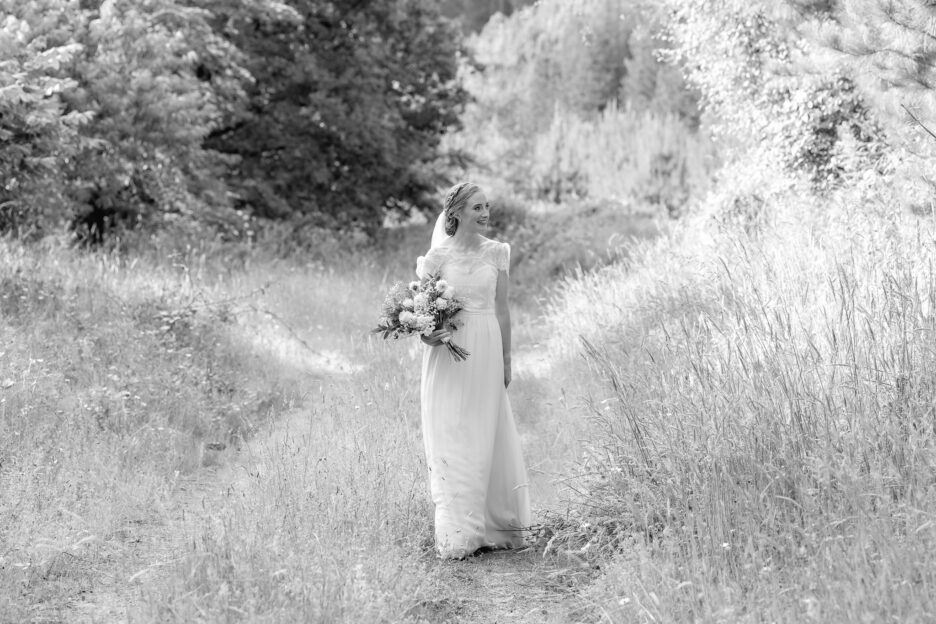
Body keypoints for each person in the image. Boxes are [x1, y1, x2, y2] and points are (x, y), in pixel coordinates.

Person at [416, 181, 532, 559]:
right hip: (449, 353)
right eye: (477, 207)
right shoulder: (435, 259)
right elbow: (424, 316)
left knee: (485, 432)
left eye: (487, 207)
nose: (485, 213)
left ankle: (493, 524)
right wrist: (430, 336)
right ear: (456, 214)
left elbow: (502, 310)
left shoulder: (498, 253)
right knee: (452, 431)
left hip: (486, 347)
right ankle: (458, 531)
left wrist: (507, 359)